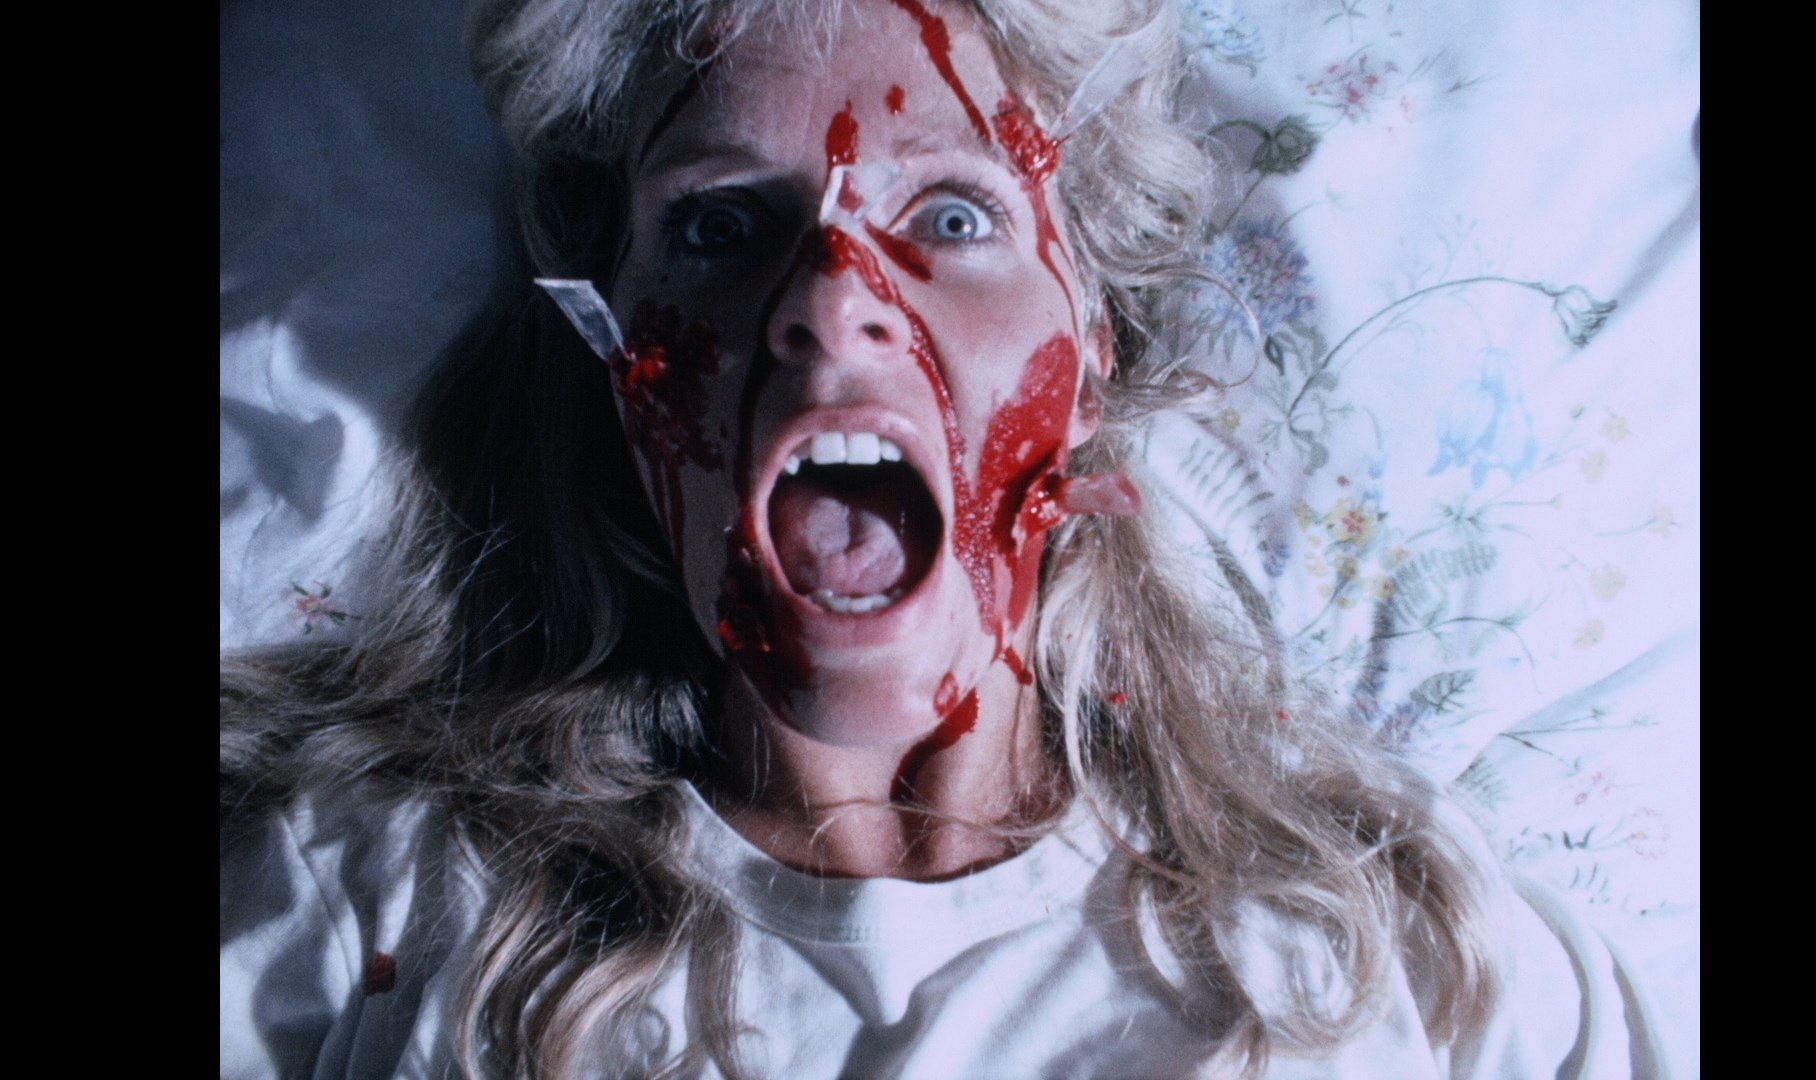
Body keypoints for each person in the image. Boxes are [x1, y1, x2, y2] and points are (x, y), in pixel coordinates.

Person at [220, 0, 1656, 1076]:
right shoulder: (366, 917)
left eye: (955, 214)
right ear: (616, 363)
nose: (830, 303)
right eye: (717, 228)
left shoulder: (1390, 947)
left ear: (1091, 349)